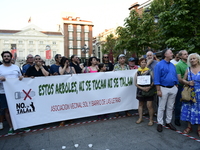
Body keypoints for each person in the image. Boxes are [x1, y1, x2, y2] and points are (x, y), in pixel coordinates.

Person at [154, 48, 179, 132]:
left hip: (173, 88)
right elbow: (156, 78)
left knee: (170, 106)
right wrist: (158, 90)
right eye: (170, 53)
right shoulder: (159, 65)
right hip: (163, 88)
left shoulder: (172, 65)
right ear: (165, 54)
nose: (172, 54)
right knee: (161, 106)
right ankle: (160, 123)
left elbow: (174, 76)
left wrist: (176, 85)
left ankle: (168, 122)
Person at [0, 51, 24, 134]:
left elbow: (20, 76)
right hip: (3, 92)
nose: (6, 57)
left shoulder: (16, 67)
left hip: (15, 92)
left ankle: (20, 125)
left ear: (11, 57)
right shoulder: (0, 68)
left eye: (8, 56)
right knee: (7, 110)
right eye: (5, 56)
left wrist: (21, 77)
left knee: (18, 108)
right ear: (2, 58)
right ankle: (11, 127)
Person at [181, 53, 200, 137]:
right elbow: (182, 80)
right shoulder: (188, 69)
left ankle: (199, 128)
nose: (192, 60)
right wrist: (188, 82)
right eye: (190, 59)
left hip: (199, 93)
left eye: (194, 58)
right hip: (190, 93)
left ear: (198, 59)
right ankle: (189, 127)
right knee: (188, 108)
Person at [134, 58, 155, 126]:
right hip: (140, 91)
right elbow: (135, 83)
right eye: (142, 62)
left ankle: (151, 119)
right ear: (139, 63)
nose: (143, 63)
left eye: (145, 62)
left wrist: (149, 87)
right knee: (140, 104)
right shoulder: (137, 72)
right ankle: (140, 118)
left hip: (149, 91)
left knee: (149, 106)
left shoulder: (150, 71)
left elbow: (153, 81)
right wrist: (142, 88)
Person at [174, 50, 188, 126]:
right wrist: (187, 82)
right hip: (181, 86)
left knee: (190, 102)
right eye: (185, 54)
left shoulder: (190, 63)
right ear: (181, 56)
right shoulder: (179, 65)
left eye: (187, 54)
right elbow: (179, 78)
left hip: (191, 86)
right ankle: (177, 119)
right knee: (179, 103)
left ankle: (188, 119)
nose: (187, 55)